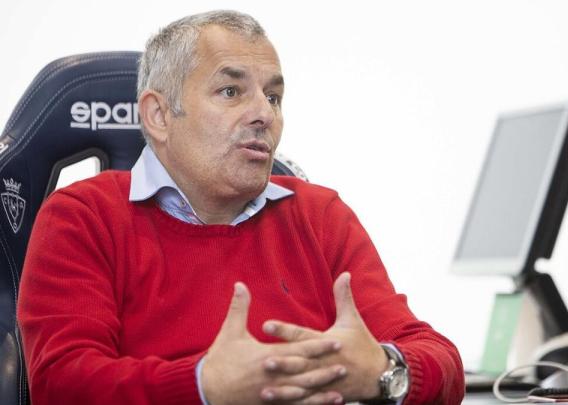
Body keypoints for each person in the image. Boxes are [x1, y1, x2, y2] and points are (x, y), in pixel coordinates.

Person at [17, 10, 464, 405]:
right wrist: (204, 385)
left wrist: (385, 373)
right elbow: (62, 385)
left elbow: (438, 358)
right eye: (231, 91)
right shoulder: (82, 217)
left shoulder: (321, 216)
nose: (263, 115)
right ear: (158, 115)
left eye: (273, 97)